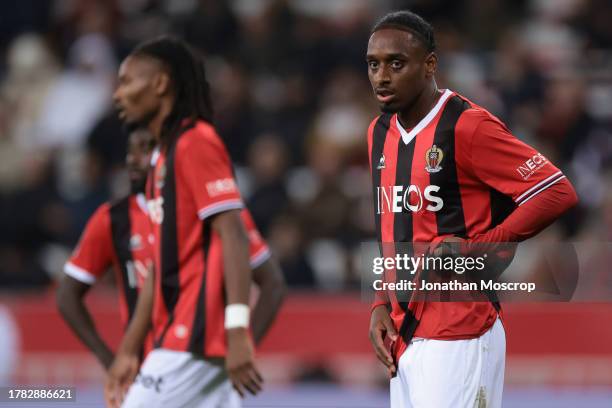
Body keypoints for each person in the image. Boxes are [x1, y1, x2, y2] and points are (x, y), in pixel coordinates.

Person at [365, 11, 578, 408]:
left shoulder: (467, 126)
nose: (382, 76)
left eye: (397, 63)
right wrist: (381, 300)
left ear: (430, 65)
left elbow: (555, 191)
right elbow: (396, 226)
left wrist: (476, 251)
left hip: (460, 331)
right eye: (374, 65)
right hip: (404, 331)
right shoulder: (379, 132)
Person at [106, 36, 285, 407]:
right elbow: (158, 269)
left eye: (126, 82)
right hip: (180, 341)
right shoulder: (162, 159)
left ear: (160, 84)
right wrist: (128, 350)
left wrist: (238, 331)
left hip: (192, 343)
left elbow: (233, 235)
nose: (117, 95)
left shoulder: (195, 143)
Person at [56, 128, 285, 376]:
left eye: (145, 149)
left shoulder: (221, 214)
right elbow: (68, 294)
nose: (132, 159)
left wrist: (244, 347)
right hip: (145, 370)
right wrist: (108, 359)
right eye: (129, 151)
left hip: (205, 367)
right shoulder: (112, 220)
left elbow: (272, 283)